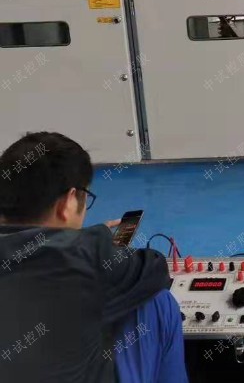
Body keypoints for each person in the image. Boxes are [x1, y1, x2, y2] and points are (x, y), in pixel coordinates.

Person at [0, 131, 188, 383]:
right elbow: (154, 269)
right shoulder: (86, 255)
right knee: (156, 302)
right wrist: (94, 243)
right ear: (68, 202)